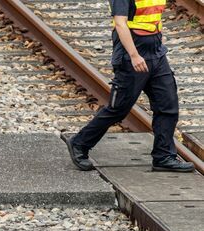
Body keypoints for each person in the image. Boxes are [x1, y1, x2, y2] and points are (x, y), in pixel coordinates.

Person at [66, 0, 194, 172]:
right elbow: (120, 23)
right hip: (131, 55)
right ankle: (79, 143)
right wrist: (134, 55)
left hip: (156, 53)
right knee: (118, 108)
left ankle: (164, 156)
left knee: (168, 105)